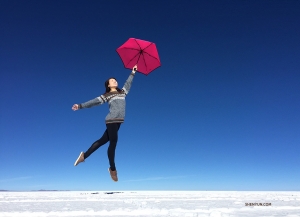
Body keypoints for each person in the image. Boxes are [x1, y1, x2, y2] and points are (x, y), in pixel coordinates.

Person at [72, 65, 137, 182]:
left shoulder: (122, 92)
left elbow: (128, 84)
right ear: (108, 85)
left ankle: (84, 156)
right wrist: (80, 106)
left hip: (118, 122)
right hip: (111, 120)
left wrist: (132, 73)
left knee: (102, 141)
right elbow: (94, 102)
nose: (115, 81)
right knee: (113, 143)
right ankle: (113, 169)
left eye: (115, 80)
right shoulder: (107, 95)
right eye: (112, 81)